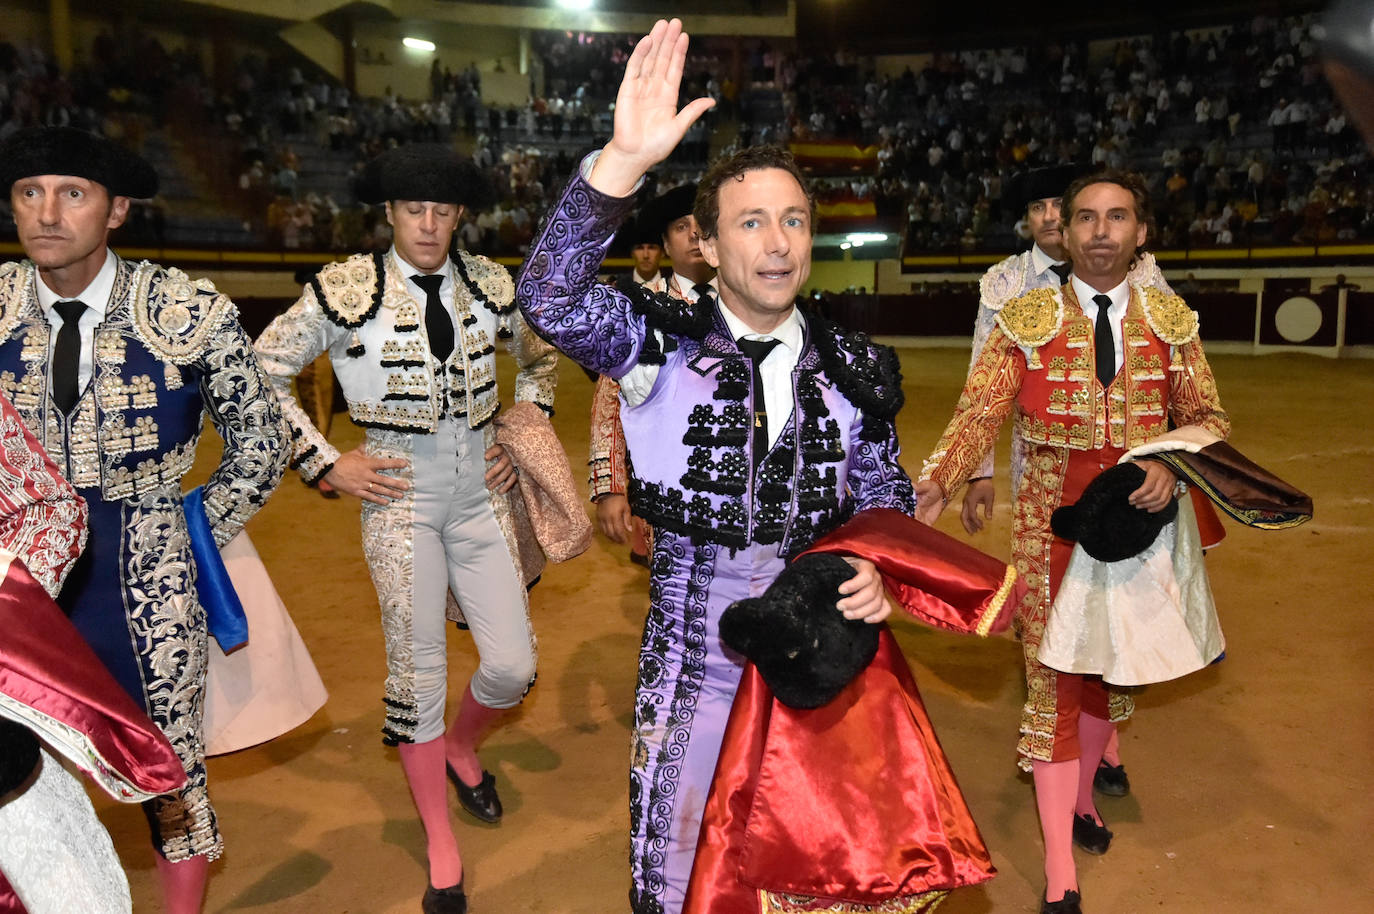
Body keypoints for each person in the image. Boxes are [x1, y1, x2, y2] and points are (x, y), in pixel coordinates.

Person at [517, 21, 914, 914]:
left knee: (825, 868)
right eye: (750, 221)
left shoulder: (854, 364)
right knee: (682, 862)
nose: (777, 241)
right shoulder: (657, 343)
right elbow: (546, 295)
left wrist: (878, 567)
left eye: (794, 218)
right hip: (695, 651)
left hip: (828, 651)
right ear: (706, 241)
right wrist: (619, 164)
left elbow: (886, 493)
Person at [914, 170, 1230, 914]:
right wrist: (934, 483)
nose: (1097, 232)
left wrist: (1169, 464)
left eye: (1116, 217)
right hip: (1047, 522)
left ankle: (1084, 798)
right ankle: (1061, 869)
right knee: (1054, 682)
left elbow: (1209, 416)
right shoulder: (1025, 316)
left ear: (1141, 232)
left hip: (1139, 526)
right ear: (1065, 231)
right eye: (1085, 217)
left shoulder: (1170, 318)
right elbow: (975, 416)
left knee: (1111, 674)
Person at [254, 143, 558, 914]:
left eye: (444, 211)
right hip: (397, 499)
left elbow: (543, 362)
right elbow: (260, 370)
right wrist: (325, 462)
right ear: (388, 213)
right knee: (417, 670)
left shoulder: (493, 286)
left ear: (461, 216)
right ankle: (440, 844)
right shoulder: (344, 289)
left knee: (514, 668)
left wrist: (523, 434)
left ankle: (462, 747)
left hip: (479, 496)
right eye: (414, 209)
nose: (429, 224)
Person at [0, 126, 287, 914]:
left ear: (118, 209)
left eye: (73, 194)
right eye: (29, 192)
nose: (47, 212)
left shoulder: (186, 310)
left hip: (146, 566)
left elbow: (262, 442)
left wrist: (192, 533)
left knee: (171, 769)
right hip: (16, 583)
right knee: (16, 772)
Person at [591, 186, 717, 563]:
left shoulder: (748, 302)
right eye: (681, 227)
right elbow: (609, 400)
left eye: (702, 225)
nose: (694, 234)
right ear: (664, 242)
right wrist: (611, 487)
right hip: (666, 480)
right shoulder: (641, 309)